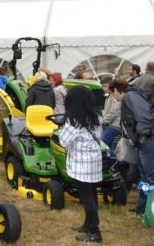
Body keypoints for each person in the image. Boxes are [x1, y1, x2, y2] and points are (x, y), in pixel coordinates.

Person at [59, 85, 103, 243]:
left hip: (81, 165)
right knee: (92, 196)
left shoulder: (74, 121)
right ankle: (88, 224)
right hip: (94, 162)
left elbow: (63, 142)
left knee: (87, 199)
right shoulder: (97, 116)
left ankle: (94, 232)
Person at [121, 83, 154, 216]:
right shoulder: (132, 95)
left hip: (148, 141)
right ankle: (143, 207)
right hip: (143, 142)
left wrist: (142, 136)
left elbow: (143, 116)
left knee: (151, 178)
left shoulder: (130, 96)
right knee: (144, 177)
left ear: (116, 90)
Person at [101, 78, 122, 157]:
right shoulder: (109, 96)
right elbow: (107, 111)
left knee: (101, 144)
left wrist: (102, 121)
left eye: (105, 86)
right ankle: (114, 165)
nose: (104, 88)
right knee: (110, 148)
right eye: (102, 86)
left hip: (114, 126)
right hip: (111, 125)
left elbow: (113, 113)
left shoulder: (114, 96)